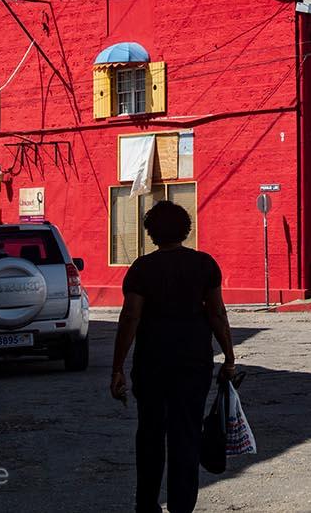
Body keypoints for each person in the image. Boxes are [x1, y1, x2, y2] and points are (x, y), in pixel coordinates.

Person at [111, 201, 236, 513]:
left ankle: (147, 504)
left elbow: (130, 318)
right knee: (186, 436)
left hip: (151, 365)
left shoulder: (141, 269)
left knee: (150, 435)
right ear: (186, 229)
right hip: (193, 364)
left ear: (151, 233)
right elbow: (217, 314)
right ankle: (181, 506)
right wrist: (230, 357)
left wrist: (117, 368)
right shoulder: (204, 265)